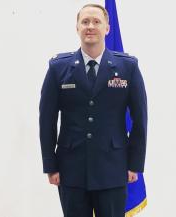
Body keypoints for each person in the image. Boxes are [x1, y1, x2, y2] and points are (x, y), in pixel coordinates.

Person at [39, 4, 147, 217]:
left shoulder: (128, 67)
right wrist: (50, 165)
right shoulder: (58, 68)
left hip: (114, 168)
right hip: (71, 169)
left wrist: (135, 164)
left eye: (96, 22)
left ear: (107, 28)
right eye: (85, 22)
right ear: (77, 28)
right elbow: (47, 120)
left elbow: (140, 119)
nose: (90, 26)